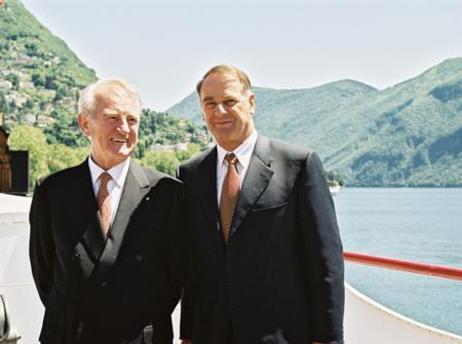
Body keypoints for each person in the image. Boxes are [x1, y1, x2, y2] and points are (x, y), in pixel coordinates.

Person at [178, 65, 344, 344]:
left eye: (229, 101)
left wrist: (327, 339)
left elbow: (324, 263)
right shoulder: (191, 174)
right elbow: (194, 266)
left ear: (251, 102)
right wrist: (187, 335)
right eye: (210, 103)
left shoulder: (298, 165)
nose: (220, 111)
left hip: (280, 336)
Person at [29, 78, 184, 344]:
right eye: (113, 117)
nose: (124, 129)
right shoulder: (52, 192)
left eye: (132, 120)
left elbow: (175, 280)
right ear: (84, 124)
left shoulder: (167, 193)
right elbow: (45, 274)